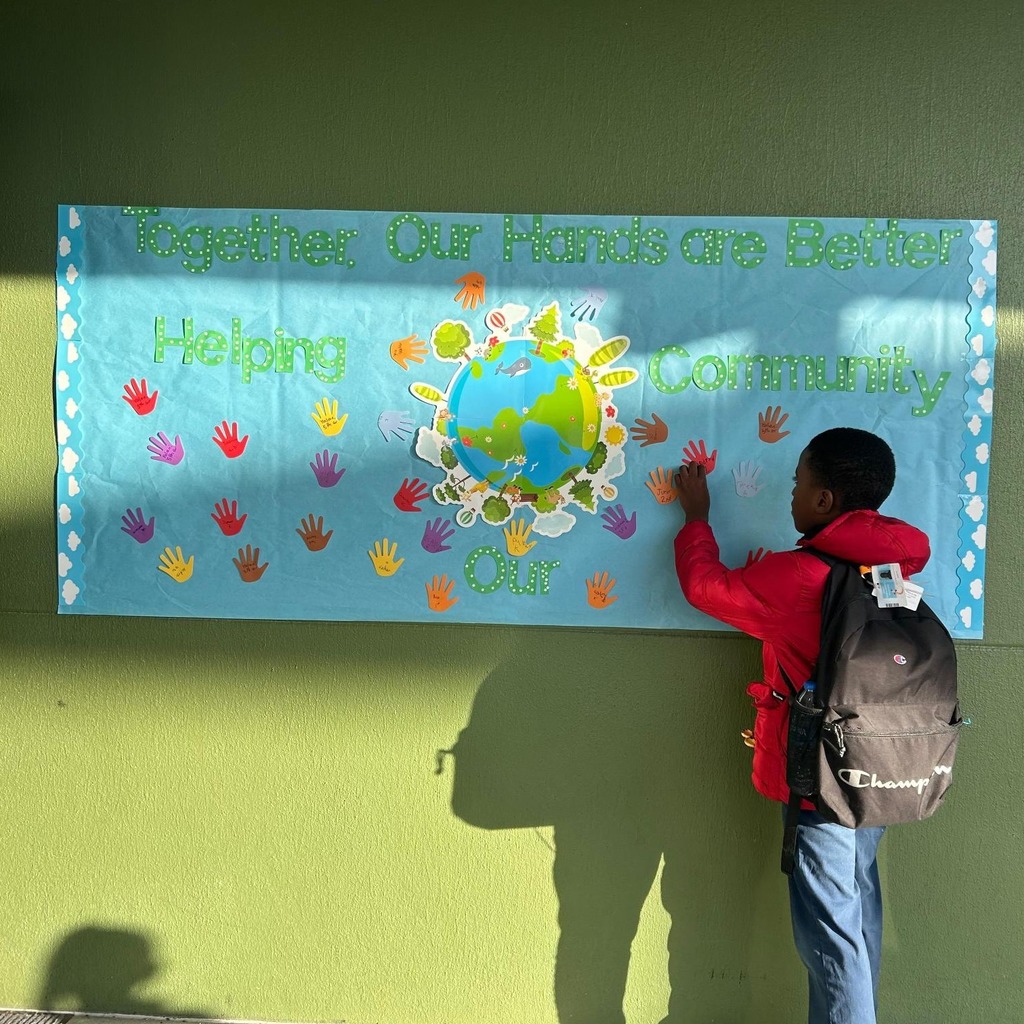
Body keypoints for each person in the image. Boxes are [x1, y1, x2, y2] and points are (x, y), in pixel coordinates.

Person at [673, 426, 930, 1024]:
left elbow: (703, 587)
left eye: (798, 481)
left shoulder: (801, 575)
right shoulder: (891, 566)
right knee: (856, 913)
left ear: (824, 501)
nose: (791, 493)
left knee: (829, 940)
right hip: (878, 766)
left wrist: (697, 518)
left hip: (821, 778)